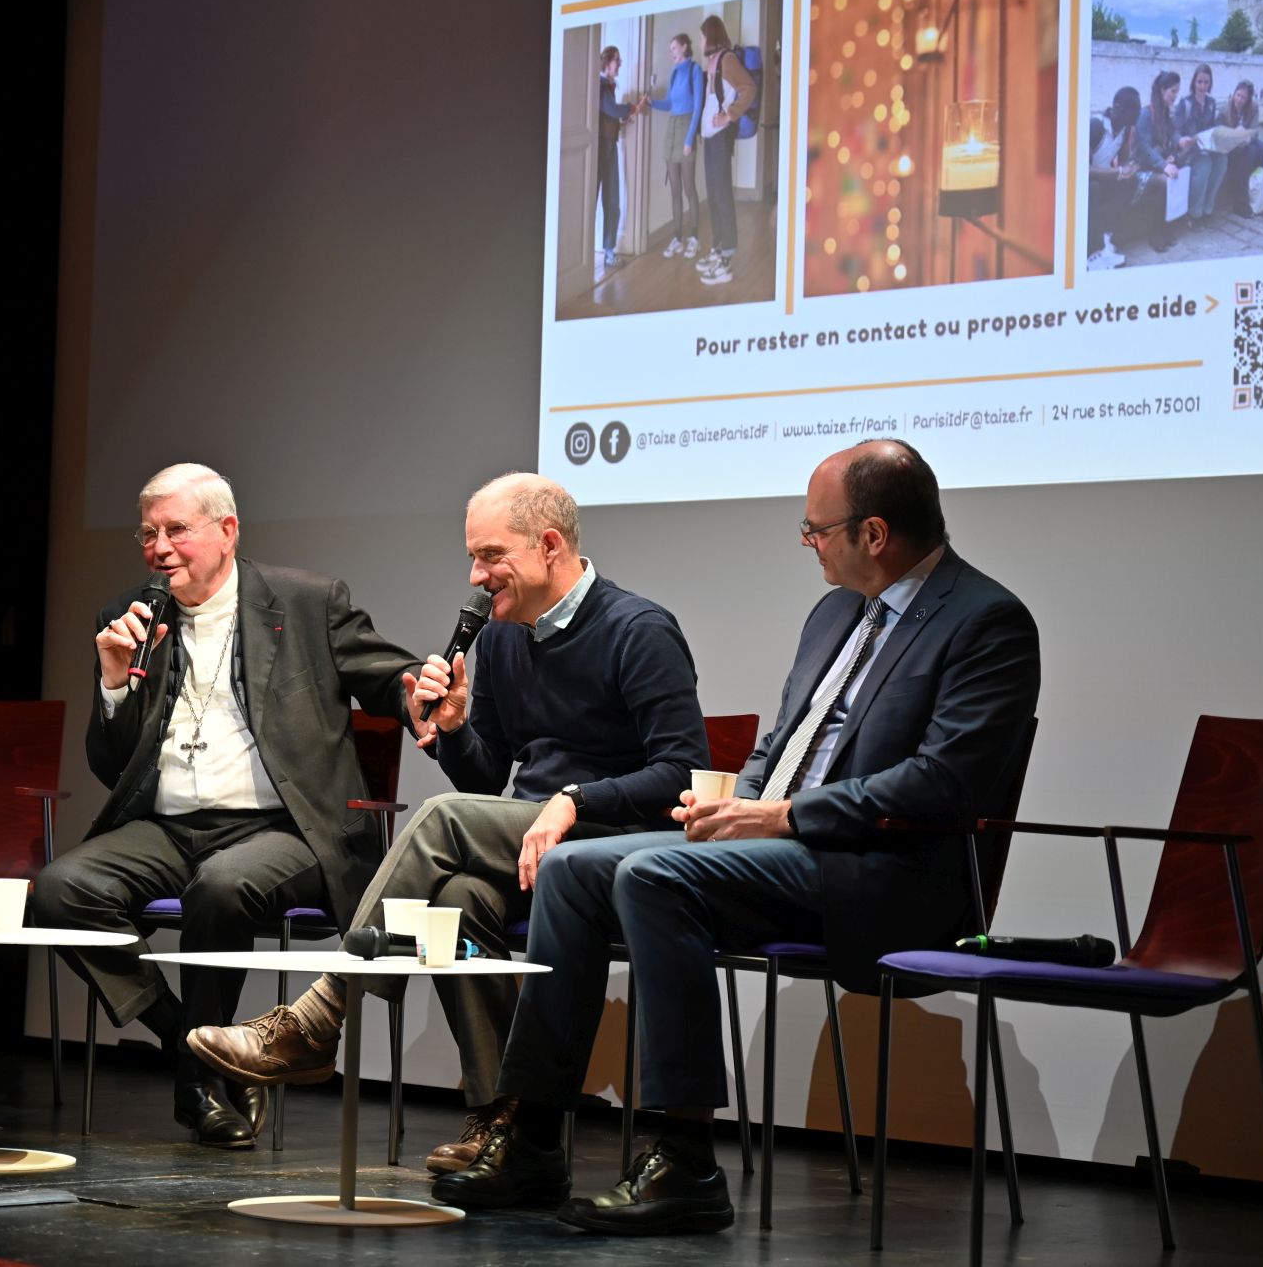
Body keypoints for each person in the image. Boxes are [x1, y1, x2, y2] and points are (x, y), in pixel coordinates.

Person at [432, 441, 1040, 1235]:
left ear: (874, 533)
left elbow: (942, 783)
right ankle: (534, 1136)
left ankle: (686, 1159)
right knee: (576, 870)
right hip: (777, 849)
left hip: (884, 871)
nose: (808, 542)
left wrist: (781, 816)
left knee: (654, 876)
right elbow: (781, 745)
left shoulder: (986, 621)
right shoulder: (836, 613)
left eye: (816, 529)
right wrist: (733, 803)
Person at [188, 472, 706, 1173]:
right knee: (458, 902)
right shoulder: (502, 639)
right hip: (530, 840)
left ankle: (319, 1014)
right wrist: (457, 729)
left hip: (614, 842)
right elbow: (486, 780)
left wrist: (576, 798)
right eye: (472, 557)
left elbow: (683, 772)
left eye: (491, 556)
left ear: (549, 545)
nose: (475, 577)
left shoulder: (638, 629)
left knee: (442, 818)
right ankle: (507, 1124)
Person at [30, 462, 421, 1149]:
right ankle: (197, 1050)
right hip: (168, 826)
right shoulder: (132, 619)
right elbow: (111, 765)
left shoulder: (306, 601)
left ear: (227, 530)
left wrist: (423, 692)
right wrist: (114, 682)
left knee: (221, 886)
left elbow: (392, 678)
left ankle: (197, 1083)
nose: (159, 548)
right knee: (61, 889)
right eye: (148, 533)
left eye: (176, 530)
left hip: (285, 827)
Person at [694, 16, 757, 287]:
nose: (699, 41)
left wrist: (729, 115)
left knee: (722, 198)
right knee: (714, 197)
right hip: (710, 139)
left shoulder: (727, 60)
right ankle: (718, 249)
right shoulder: (712, 62)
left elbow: (749, 88)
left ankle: (726, 261)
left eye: (701, 36)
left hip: (720, 139)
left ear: (711, 36)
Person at [646, 34, 706, 261]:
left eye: (673, 48)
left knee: (689, 189)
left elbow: (698, 106)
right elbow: (670, 104)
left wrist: (690, 139)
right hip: (672, 129)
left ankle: (694, 238)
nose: (671, 52)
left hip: (686, 126)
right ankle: (677, 238)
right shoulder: (674, 72)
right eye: (670, 48)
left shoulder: (694, 70)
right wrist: (652, 103)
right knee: (674, 190)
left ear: (684, 47)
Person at [1086, 87, 1142, 268]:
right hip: (1085, 185)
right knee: (1092, 187)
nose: (1134, 117)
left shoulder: (1125, 129)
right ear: (1118, 109)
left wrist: (1129, 169)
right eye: (1132, 112)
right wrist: (1118, 172)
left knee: (1131, 181)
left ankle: (1105, 236)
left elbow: (1123, 160)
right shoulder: (1096, 126)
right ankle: (1093, 253)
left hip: (1103, 181)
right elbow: (1081, 170)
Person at [596, 46, 640, 268]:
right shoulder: (599, 84)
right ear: (607, 63)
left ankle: (609, 252)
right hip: (597, 149)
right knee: (591, 202)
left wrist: (622, 119)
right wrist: (631, 108)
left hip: (610, 146)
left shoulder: (609, 86)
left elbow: (610, 115)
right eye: (617, 60)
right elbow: (611, 109)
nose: (620, 63)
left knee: (612, 201)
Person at [1135, 70, 1186, 252]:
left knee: (1180, 169)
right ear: (1162, 90)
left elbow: (1172, 133)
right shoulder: (1146, 114)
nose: (1175, 96)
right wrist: (1164, 165)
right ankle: (1155, 232)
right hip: (1141, 168)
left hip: (1155, 163)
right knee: (1164, 182)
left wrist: (1180, 142)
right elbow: (1143, 150)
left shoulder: (1164, 113)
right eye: (1173, 91)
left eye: (1177, 92)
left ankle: (1167, 225)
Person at [1174, 62, 1224, 227]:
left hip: (1206, 148)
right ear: (1194, 82)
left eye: (1206, 82)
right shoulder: (1185, 104)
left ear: (1210, 83)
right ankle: (1194, 213)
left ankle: (1207, 208)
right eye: (1199, 82)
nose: (1202, 86)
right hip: (1190, 152)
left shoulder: (1211, 103)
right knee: (1205, 164)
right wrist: (1182, 139)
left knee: (1222, 160)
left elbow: (1211, 129)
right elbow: (1175, 131)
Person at [1218, 79, 1263, 216]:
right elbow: (1220, 135)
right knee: (1249, 154)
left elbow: (1255, 131)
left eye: (1243, 97)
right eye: (1238, 95)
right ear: (1234, 93)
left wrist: (1247, 138)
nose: (1239, 100)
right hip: (1231, 148)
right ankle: (1240, 203)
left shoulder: (1253, 108)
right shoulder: (1224, 110)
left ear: (1248, 99)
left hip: (1247, 143)